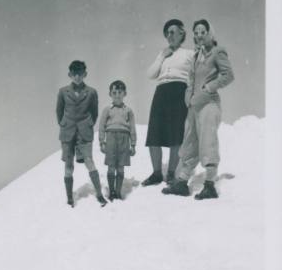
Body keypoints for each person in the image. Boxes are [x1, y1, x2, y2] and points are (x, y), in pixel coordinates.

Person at [162, 19, 234, 199]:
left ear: (210, 33)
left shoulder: (218, 52)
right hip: (194, 106)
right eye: (196, 32)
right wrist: (188, 94)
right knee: (189, 143)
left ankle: (210, 186)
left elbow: (228, 75)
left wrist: (209, 88)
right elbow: (191, 80)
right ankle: (181, 183)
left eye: (203, 31)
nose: (199, 35)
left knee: (207, 142)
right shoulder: (196, 56)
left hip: (209, 104)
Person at [142, 19, 194, 186]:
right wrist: (162, 56)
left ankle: (171, 173)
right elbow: (150, 74)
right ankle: (157, 173)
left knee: (176, 134)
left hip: (179, 91)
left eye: (173, 32)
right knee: (154, 133)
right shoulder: (162, 54)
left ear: (181, 33)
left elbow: (199, 72)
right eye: (167, 33)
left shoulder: (189, 54)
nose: (169, 36)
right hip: (161, 92)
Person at [56, 60, 107, 207]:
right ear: (69, 75)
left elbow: (94, 112)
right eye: (74, 74)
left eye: (80, 74)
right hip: (67, 131)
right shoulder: (63, 91)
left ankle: (99, 194)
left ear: (85, 74)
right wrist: (65, 124)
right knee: (69, 165)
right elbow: (59, 112)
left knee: (89, 162)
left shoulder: (91, 92)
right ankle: (70, 197)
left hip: (84, 132)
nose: (77, 77)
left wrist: (87, 124)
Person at [99, 80, 137, 201]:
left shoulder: (128, 111)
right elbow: (101, 126)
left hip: (124, 140)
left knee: (120, 167)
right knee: (111, 166)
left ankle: (118, 192)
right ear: (110, 94)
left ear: (124, 93)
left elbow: (132, 128)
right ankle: (111, 192)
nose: (117, 95)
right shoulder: (107, 110)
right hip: (110, 138)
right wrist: (102, 142)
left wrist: (133, 144)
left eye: (120, 92)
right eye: (114, 92)